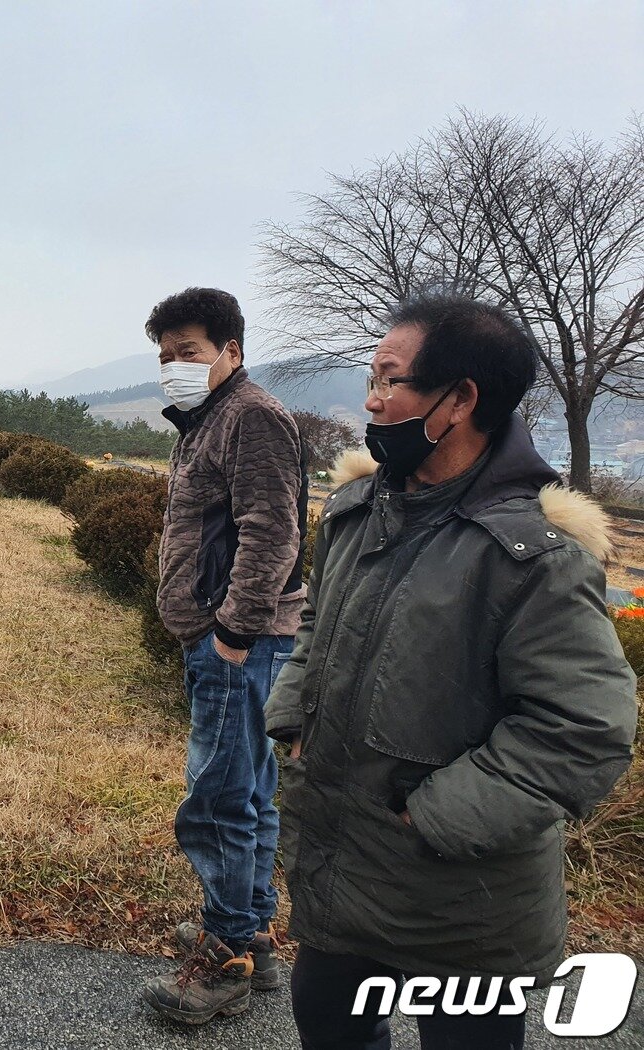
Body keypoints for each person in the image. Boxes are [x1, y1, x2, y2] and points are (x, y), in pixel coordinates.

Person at [264, 292, 637, 1049]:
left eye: (390, 379)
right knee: (328, 1026)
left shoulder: (536, 557)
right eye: (371, 376)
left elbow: (584, 730)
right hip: (345, 866)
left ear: (461, 398)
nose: (371, 400)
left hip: (464, 897)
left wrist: (433, 816)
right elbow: (315, 622)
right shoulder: (357, 509)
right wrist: (292, 718)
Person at [139, 287, 308, 1025]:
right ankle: (253, 931)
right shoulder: (208, 418)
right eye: (166, 356)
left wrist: (233, 632)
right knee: (246, 791)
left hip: (243, 644)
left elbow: (272, 530)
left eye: (190, 353)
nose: (175, 367)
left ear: (231, 352)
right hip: (233, 641)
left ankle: (226, 955)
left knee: (218, 799)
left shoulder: (251, 418)